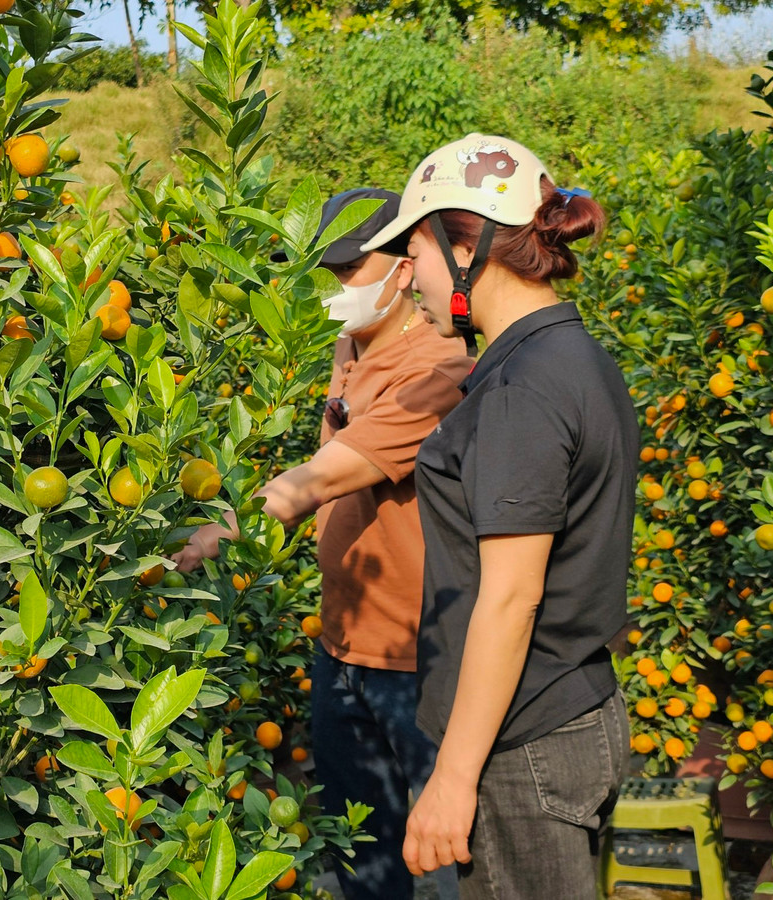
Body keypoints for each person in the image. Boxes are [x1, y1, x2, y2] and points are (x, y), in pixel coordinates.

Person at [357, 134, 639, 899]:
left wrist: (452, 777)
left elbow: (512, 597)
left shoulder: (522, 388)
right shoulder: (568, 355)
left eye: (412, 249)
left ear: (466, 249)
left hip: (524, 741)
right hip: (565, 711)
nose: (403, 275)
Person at [175, 187, 471, 900]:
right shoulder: (350, 343)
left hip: (416, 661)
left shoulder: (439, 366)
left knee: (444, 871)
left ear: (405, 270)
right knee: (360, 861)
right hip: (340, 644)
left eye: (348, 270)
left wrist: (229, 525)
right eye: (323, 271)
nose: (333, 289)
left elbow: (324, 476)